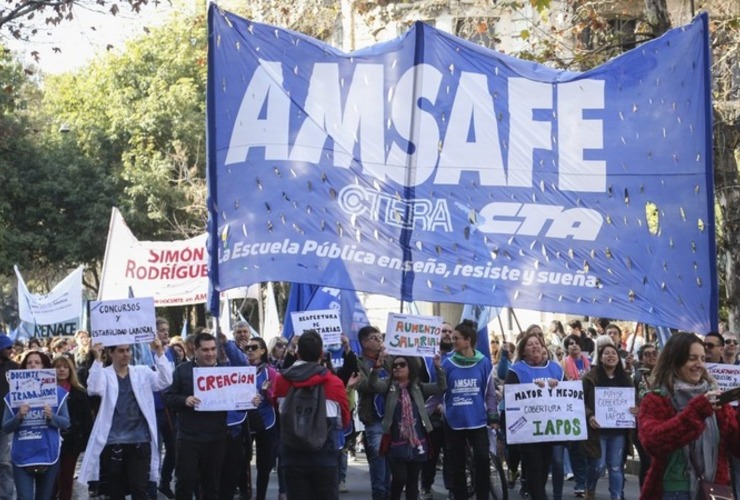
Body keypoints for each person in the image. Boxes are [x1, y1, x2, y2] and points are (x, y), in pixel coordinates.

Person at [639, 332, 740, 499]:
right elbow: (652, 442)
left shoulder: (717, 399)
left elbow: (736, 447)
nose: (699, 364)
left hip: (715, 490)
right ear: (674, 360)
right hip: (675, 491)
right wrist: (697, 411)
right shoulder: (656, 399)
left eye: (702, 359)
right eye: (692, 358)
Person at [77, 341, 172, 500]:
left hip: (140, 440)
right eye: (121, 351)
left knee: (139, 489)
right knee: (116, 492)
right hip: (114, 442)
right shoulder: (105, 374)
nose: (126, 354)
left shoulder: (142, 372)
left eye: (128, 350)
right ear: (111, 353)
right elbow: (94, 388)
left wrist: (159, 352)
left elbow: (166, 380)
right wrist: (98, 359)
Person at [274, 330, 350, 500]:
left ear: (297, 353)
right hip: (324, 456)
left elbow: (277, 409)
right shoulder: (334, 383)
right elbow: (343, 421)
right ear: (322, 354)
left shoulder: (281, 380)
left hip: (292, 456)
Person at [366, 353, 445, 500]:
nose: (397, 368)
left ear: (411, 367)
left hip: (417, 441)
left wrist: (438, 367)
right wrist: (377, 366)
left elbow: (441, 387)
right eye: (395, 365)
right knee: (400, 478)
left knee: (412, 482)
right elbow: (373, 384)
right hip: (395, 441)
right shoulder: (388, 386)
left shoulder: (418, 387)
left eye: (402, 365)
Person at [164, 332, 228, 500]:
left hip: (216, 436)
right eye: (205, 350)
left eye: (213, 349)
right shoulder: (182, 370)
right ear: (196, 350)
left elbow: (239, 400)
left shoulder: (225, 371)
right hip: (188, 437)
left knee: (211, 484)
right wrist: (185, 400)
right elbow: (168, 397)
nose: (210, 354)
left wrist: (251, 400)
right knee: (185, 481)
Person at [504, 328, 564, 500]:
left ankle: (535, 491)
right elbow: (510, 397)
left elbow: (567, 396)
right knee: (534, 466)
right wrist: (530, 390)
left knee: (544, 467)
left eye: (537, 343)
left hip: (549, 429)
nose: (535, 346)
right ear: (523, 351)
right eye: (530, 345)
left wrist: (557, 386)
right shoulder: (516, 370)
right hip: (527, 429)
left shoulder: (555, 369)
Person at [2, 350, 70, 500]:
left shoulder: (58, 393)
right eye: (29, 362)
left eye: (37, 362)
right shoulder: (13, 395)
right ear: (24, 367)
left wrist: (52, 417)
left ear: (44, 367)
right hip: (22, 455)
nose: (33, 365)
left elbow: (66, 423)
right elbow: (6, 427)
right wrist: (18, 416)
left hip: (48, 453)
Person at [443, 319, 496, 500]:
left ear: (468, 340)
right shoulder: (447, 363)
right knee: (457, 464)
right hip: (454, 421)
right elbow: (440, 391)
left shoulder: (484, 363)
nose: (452, 340)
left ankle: (482, 496)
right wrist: (425, 411)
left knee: (482, 459)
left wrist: (493, 416)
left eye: (456, 338)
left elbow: (489, 393)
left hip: (477, 420)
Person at [223, 336, 278, 500]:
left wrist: (266, 393)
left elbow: (276, 398)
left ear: (263, 351)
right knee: (240, 461)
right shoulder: (237, 369)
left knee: (264, 464)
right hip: (244, 422)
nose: (250, 351)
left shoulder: (270, 372)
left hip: (265, 422)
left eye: (254, 348)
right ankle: (244, 492)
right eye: (247, 348)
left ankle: (260, 496)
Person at [582, 344, 636, 500]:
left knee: (616, 466)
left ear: (619, 359)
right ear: (600, 357)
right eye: (607, 353)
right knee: (597, 466)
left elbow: (635, 399)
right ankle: (590, 488)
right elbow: (579, 401)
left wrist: (636, 408)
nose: (611, 356)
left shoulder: (625, 378)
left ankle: (616, 496)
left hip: (619, 432)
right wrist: (589, 416)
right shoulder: (590, 377)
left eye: (614, 353)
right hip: (597, 431)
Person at [354, 325, 392, 500]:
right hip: (374, 417)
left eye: (380, 337)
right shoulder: (358, 362)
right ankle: (380, 493)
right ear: (364, 343)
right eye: (374, 338)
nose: (379, 341)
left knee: (392, 457)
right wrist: (377, 368)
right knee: (378, 454)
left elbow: (404, 376)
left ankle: (390, 492)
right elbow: (364, 386)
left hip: (392, 414)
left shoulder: (390, 359)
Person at [53, 355, 92, 500]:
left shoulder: (79, 392)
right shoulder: (44, 393)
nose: (62, 370)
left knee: (66, 478)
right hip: (51, 441)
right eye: (58, 367)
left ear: (71, 370)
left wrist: (84, 442)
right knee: (51, 480)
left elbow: (87, 420)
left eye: (65, 367)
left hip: (71, 442)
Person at [560, 334, 589, 497]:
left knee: (587, 448)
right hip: (571, 409)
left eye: (577, 343)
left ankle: (586, 481)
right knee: (576, 447)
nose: (574, 346)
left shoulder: (589, 362)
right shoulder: (562, 364)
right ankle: (580, 483)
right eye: (570, 344)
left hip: (588, 408)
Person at [633, 343, 658, 488]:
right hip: (640, 425)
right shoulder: (635, 376)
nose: (651, 356)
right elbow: (627, 395)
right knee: (646, 460)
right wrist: (633, 406)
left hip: (659, 423)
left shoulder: (665, 375)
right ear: (641, 358)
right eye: (647, 354)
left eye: (654, 353)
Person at [0, 334, 19, 500]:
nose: (11, 350)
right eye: (8, 347)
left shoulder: (15, 368)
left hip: (6, 423)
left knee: (5, 463)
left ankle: (6, 496)